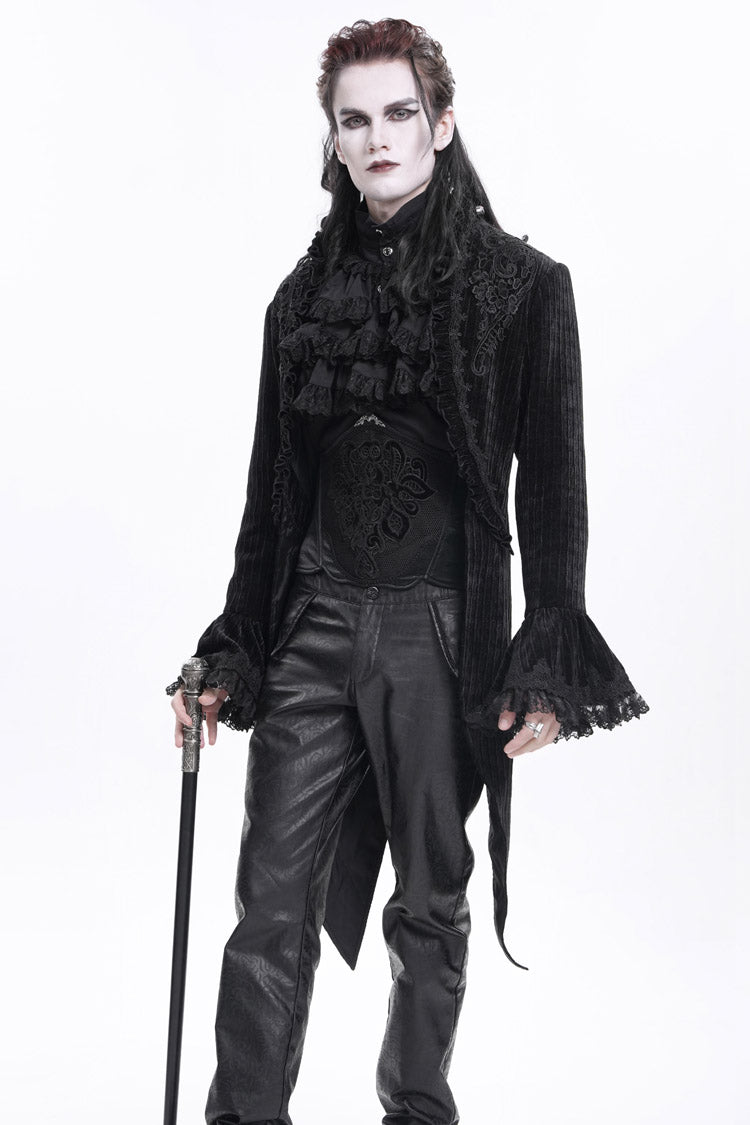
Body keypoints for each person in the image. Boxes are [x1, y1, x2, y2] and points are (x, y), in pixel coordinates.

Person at [167, 18, 650, 1125]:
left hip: (442, 628)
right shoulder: (299, 304)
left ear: (441, 121)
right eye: (354, 120)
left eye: (398, 113)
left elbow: (553, 493)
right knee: (268, 903)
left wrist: (546, 650)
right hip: (313, 621)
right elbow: (270, 501)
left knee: (431, 898)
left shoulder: (524, 288)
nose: (377, 138)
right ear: (333, 140)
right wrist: (232, 648)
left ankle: (417, 1108)